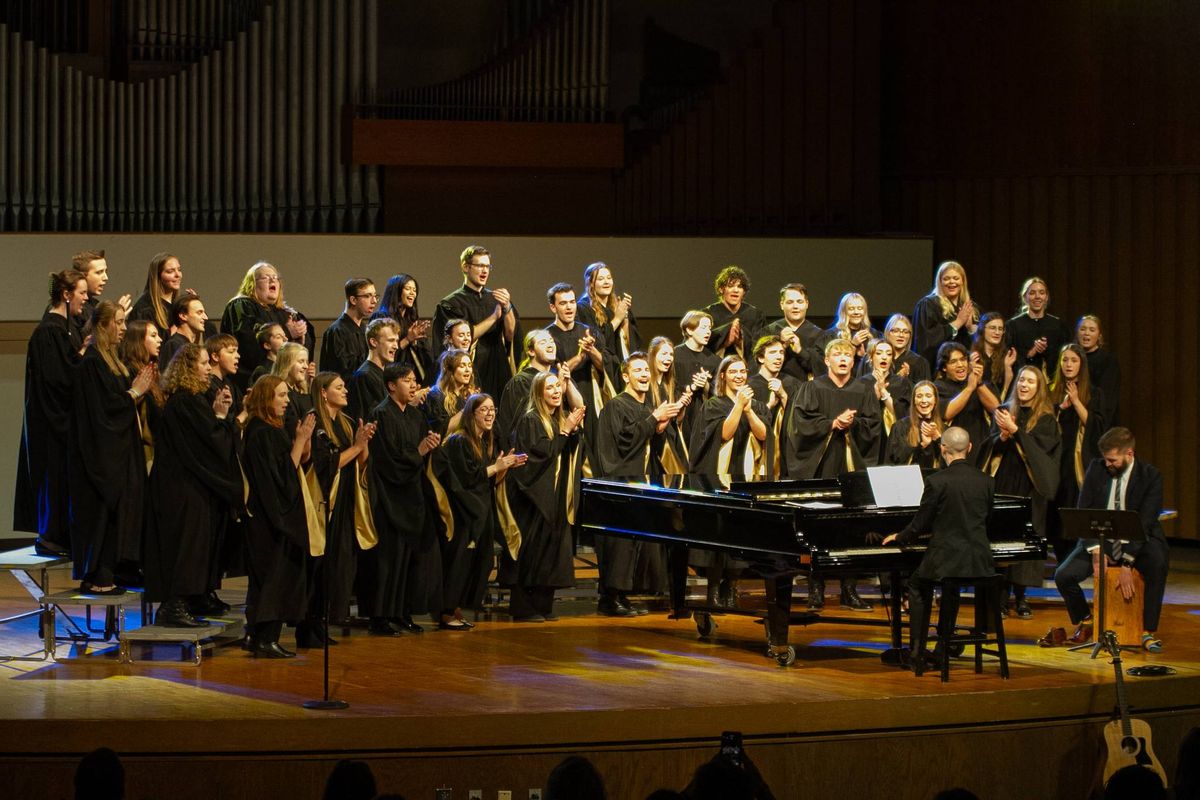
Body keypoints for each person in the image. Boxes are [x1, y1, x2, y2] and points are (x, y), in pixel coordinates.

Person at [144, 344, 242, 628]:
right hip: (181, 488)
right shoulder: (185, 401)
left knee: (197, 543)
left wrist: (217, 415)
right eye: (201, 364)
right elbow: (210, 441)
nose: (206, 369)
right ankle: (174, 605)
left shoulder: (190, 400)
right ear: (188, 368)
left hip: (187, 485)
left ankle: (193, 597)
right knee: (186, 545)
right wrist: (222, 419)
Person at [883, 427, 995, 672]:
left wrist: (899, 537)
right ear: (970, 448)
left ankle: (916, 651)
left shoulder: (936, 481)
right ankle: (943, 648)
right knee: (950, 587)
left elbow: (920, 524)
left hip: (947, 558)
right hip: (979, 559)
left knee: (916, 585)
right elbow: (986, 521)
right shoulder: (986, 481)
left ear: (942, 448)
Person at [1050, 427, 1170, 652]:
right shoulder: (1097, 469)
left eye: (1113, 460)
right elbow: (1083, 511)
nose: (1108, 464)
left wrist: (1127, 561)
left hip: (1137, 540)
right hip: (1100, 539)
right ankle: (1086, 621)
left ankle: (1147, 631)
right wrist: (1095, 549)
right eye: (1106, 459)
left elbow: (1145, 523)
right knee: (1064, 575)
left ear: (1129, 454)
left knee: (1157, 563)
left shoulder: (1151, 476)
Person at [786, 338, 881, 611]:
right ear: (826, 361)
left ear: (854, 361)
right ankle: (816, 590)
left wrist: (853, 424)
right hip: (821, 467)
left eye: (848, 356)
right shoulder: (812, 388)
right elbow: (800, 426)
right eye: (837, 355)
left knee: (852, 529)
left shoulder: (863, 390)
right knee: (819, 529)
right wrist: (831, 424)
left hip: (852, 468)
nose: (843, 359)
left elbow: (874, 427)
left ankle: (849, 589)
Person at [68, 302, 155, 595]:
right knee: (100, 514)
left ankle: (114, 570)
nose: (122, 328)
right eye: (117, 322)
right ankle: (97, 574)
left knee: (119, 512)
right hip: (99, 456)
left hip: (118, 450)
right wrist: (134, 392)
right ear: (102, 325)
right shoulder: (92, 362)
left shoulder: (111, 360)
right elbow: (102, 410)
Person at [594, 353, 683, 616]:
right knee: (619, 544)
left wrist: (658, 429)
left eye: (646, 370)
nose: (644, 374)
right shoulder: (616, 406)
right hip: (620, 485)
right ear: (625, 376)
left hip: (642, 483)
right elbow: (625, 441)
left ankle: (623, 595)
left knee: (634, 542)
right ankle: (610, 598)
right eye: (638, 370)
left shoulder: (646, 409)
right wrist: (653, 420)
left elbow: (651, 449)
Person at [433, 393, 526, 629]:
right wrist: (497, 466)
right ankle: (445, 612)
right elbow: (467, 477)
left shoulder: (484, 441)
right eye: (484, 409)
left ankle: (456, 609)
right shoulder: (459, 441)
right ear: (471, 413)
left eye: (492, 409)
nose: (490, 414)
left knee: (479, 563)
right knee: (458, 562)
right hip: (463, 512)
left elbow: (488, 480)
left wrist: (505, 466)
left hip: (480, 510)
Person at [15, 269, 89, 555]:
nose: (85, 298)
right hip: (51, 422)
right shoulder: (49, 332)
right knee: (53, 478)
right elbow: (58, 378)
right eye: (81, 292)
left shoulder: (66, 329)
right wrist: (83, 354)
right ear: (66, 295)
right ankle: (50, 537)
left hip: (62, 421)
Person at [364, 363, 442, 635]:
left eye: (413, 380)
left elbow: (420, 452)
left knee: (408, 561)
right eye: (406, 380)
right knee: (388, 561)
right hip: (389, 497)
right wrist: (417, 452)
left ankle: (401, 612)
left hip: (412, 497)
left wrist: (429, 445)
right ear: (391, 385)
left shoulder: (415, 415)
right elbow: (385, 459)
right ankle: (380, 616)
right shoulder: (381, 414)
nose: (413, 385)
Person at [503, 371, 585, 622]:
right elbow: (540, 455)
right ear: (538, 394)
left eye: (557, 387)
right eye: (549, 387)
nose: (556, 391)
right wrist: (564, 432)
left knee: (551, 551)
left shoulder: (555, 419)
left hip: (554, 496)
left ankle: (543, 604)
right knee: (532, 551)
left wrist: (571, 431)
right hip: (533, 499)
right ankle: (524, 607)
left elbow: (565, 451)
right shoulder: (531, 421)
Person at [980, 365, 1061, 618]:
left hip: (1030, 485)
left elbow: (1042, 452)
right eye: (1021, 380)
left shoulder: (1046, 418)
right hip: (1005, 482)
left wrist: (1016, 432)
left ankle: (1022, 597)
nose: (1024, 385)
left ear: (1039, 389)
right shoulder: (1005, 411)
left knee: (1025, 541)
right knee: (1002, 540)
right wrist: (1001, 438)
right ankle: (1001, 597)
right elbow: (988, 446)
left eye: (1030, 382)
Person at [242, 375, 314, 656]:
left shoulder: (261, 428)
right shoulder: (265, 433)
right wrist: (299, 441)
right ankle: (265, 638)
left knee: (265, 578)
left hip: (265, 517)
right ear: (266, 398)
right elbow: (283, 477)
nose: (287, 401)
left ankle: (255, 635)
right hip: (271, 519)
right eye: (281, 395)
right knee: (274, 576)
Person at [688, 356, 768, 609]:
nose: (739, 375)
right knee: (718, 538)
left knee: (740, 537)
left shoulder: (756, 405)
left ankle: (731, 587)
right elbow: (724, 434)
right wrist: (738, 407)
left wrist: (749, 409)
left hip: (745, 478)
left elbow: (764, 434)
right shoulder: (713, 405)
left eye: (743, 371)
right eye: (733, 371)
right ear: (722, 376)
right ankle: (713, 589)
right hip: (718, 479)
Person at [305, 372, 377, 646]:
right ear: (323, 392)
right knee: (319, 567)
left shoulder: (346, 423)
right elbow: (325, 464)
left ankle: (323, 621)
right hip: (324, 503)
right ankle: (309, 625)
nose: (345, 390)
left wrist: (364, 444)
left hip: (346, 501)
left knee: (340, 566)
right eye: (339, 387)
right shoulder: (315, 421)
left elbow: (361, 461)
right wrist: (357, 446)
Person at [432, 245, 520, 400]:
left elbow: (511, 334)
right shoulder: (450, 303)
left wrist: (507, 307)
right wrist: (493, 317)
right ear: (466, 267)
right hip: (471, 368)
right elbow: (461, 338)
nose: (485, 271)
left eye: (487, 266)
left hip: (497, 367)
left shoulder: (496, 298)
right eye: (480, 266)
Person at [1047, 343, 1106, 562]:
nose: (1068, 365)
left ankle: (1076, 558)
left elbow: (1097, 426)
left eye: (1073, 360)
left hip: (1079, 460)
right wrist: (1061, 407)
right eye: (1065, 360)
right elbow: (1044, 422)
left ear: (1082, 364)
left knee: (1074, 506)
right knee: (1056, 509)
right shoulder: (1051, 391)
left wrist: (1076, 401)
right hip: (1056, 459)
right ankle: (1060, 556)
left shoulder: (1094, 392)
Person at [220, 261, 315, 390]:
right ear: (252, 284)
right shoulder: (242, 306)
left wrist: (298, 343)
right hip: (255, 383)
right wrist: (287, 332)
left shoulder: (288, 313)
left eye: (275, 278)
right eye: (265, 278)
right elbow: (247, 345)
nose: (272, 281)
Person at [577, 261, 641, 384]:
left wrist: (625, 318)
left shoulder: (617, 305)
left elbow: (634, 342)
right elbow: (598, 342)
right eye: (601, 279)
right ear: (591, 283)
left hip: (621, 368)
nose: (606, 282)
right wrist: (617, 319)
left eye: (609, 278)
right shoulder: (583, 308)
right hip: (601, 373)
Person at [747, 335, 800, 477]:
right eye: (773, 352)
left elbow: (799, 418)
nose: (779, 357)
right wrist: (768, 405)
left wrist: (783, 395)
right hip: (759, 449)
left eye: (781, 352)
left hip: (786, 450)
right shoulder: (750, 385)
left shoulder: (792, 383)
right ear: (761, 358)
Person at [913, 261, 979, 368]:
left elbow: (980, 344)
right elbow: (926, 341)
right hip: (938, 369)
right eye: (946, 278)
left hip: (965, 368)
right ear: (940, 282)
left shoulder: (970, 307)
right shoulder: (928, 305)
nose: (951, 282)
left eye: (956, 278)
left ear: (963, 281)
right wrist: (958, 323)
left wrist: (971, 328)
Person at [373, 273, 434, 385]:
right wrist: (408, 339)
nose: (412, 293)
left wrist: (417, 342)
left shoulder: (411, 320)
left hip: (414, 379)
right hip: (393, 380)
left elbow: (427, 359)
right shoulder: (382, 317)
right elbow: (383, 355)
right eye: (408, 289)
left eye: (414, 290)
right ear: (397, 291)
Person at [934, 342, 994, 455]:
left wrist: (979, 384)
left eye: (963, 359)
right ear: (944, 367)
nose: (960, 365)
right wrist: (970, 388)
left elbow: (996, 409)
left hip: (981, 447)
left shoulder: (978, 384)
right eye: (953, 362)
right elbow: (947, 413)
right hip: (954, 450)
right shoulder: (938, 387)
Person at [856, 338, 912, 455]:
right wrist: (876, 394)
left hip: (893, 439)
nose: (884, 357)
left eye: (889, 354)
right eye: (879, 353)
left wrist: (883, 391)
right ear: (871, 357)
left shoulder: (901, 383)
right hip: (870, 441)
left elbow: (902, 414)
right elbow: (859, 416)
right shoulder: (861, 384)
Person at [763, 282, 827, 381]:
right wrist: (781, 344)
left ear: (807, 304)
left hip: (805, 390)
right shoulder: (769, 331)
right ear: (781, 305)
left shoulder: (819, 335)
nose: (795, 306)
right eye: (790, 302)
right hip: (773, 387)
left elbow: (822, 369)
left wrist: (800, 351)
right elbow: (759, 364)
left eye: (799, 302)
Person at [1007, 277, 1070, 375]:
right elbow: (1008, 357)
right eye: (1032, 293)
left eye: (1041, 292)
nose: (1037, 296)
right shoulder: (1013, 325)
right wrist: (1030, 354)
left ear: (1046, 297)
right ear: (1024, 297)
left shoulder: (1057, 325)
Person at [320, 277, 378, 382]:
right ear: (353, 300)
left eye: (375, 296)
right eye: (367, 296)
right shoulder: (336, 331)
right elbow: (341, 371)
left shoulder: (366, 330)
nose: (374, 301)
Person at [673, 310, 719, 440]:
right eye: (704, 327)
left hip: (703, 415)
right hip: (679, 412)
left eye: (709, 328)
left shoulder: (713, 360)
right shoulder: (674, 355)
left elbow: (719, 392)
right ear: (689, 330)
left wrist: (705, 385)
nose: (708, 332)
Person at [703, 265, 764, 362]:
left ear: (744, 291)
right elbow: (702, 347)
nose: (735, 290)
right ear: (721, 289)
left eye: (739, 287)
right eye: (730, 286)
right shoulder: (707, 315)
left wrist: (741, 340)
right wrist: (725, 341)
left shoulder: (755, 315)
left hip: (746, 368)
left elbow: (759, 346)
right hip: (716, 367)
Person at [72, 249, 132, 344]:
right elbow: (85, 339)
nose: (105, 278)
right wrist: (112, 316)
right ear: (83, 276)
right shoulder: (74, 308)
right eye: (99, 272)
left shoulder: (96, 305)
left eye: (105, 271)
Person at [348, 317, 402, 423]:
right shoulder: (364, 376)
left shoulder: (385, 374)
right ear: (373, 342)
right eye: (391, 340)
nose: (396, 346)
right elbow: (374, 417)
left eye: (397, 341)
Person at [885, 380, 944, 468]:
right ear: (914, 401)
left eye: (928, 396)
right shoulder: (900, 427)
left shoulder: (944, 428)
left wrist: (938, 439)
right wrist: (924, 445)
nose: (924, 400)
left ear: (935, 400)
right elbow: (895, 461)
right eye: (919, 396)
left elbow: (949, 463)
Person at [1076, 313, 1121, 426]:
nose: (1086, 333)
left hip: (1098, 419)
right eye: (1083, 329)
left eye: (1092, 330)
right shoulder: (1071, 358)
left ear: (1099, 335)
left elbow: (1108, 397)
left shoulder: (1108, 361)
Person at [129, 252, 182, 342]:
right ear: (158, 276)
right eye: (170, 271)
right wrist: (182, 323)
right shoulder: (145, 308)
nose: (178, 275)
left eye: (179, 269)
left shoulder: (176, 304)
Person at [425, 349, 475, 438]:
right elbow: (440, 431)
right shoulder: (436, 395)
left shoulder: (465, 396)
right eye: (462, 366)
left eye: (470, 365)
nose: (468, 370)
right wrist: (469, 406)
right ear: (450, 370)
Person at [970, 312, 1017, 402]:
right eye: (993, 328)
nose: (997, 332)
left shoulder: (1007, 356)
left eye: (1000, 329)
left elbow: (1009, 391)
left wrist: (1008, 368)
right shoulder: (973, 355)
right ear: (982, 329)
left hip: (999, 405)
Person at [825, 292, 880, 368]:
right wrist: (853, 345)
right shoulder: (831, 335)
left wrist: (864, 357)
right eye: (851, 309)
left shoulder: (874, 334)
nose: (856, 312)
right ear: (844, 312)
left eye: (860, 308)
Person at [273, 342, 315, 434]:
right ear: (286, 363)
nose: (306, 366)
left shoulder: (300, 391)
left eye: (306, 362)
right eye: (301, 361)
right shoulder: (277, 392)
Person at [158, 291, 207, 369]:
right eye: (199, 313)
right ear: (183, 316)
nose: (205, 317)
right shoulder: (174, 345)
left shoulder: (189, 344)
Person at [204, 334, 245, 424]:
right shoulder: (208, 386)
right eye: (231, 352)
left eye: (237, 351)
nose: (238, 356)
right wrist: (246, 412)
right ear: (215, 356)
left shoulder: (229, 383)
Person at [881, 313, 930, 384]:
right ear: (888, 333)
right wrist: (898, 378)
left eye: (905, 332)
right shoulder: (878, 358)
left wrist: (906, 380)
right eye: (896, 331)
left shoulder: (920, 363)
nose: (901, 335)